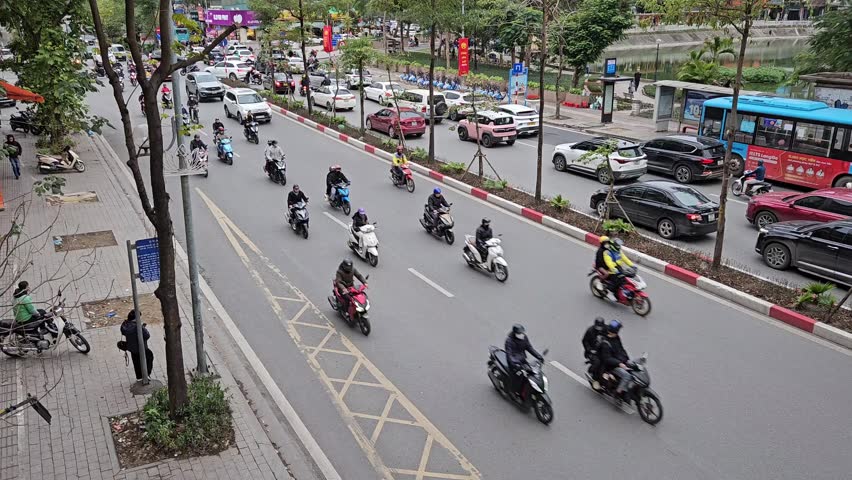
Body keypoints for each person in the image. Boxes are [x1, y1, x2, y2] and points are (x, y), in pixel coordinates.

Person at [504, 324, 543, 400]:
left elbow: (530, 348)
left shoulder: (524, 338)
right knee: (519, 377)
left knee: (531, 374)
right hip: (514, 363)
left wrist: (539, 356)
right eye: (519, 333)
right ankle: (513, 391)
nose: (522, 335)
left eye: (522, 333)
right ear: (515, 334)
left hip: (522, 360)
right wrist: (515, 364)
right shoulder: (509, 341)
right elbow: (509, 355)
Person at [598, 320, 630, 400]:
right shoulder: (605, 343)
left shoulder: (616, 337)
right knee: (627, 376)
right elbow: (607, 359)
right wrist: (619, 364)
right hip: (611, 366)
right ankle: (618, 392)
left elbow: (621, 349)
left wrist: (626, 358)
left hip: (621, 360)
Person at [120, 310, 154, 382]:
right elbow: (147, 335)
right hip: (141, 348)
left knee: (136, 362)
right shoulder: (138, 327)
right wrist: (143, 327)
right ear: (136, 318)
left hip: (132, 348)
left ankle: (139, 377)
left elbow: (125, 332)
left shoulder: (125, 324)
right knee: (149, 357)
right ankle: (146, 375)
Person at [582, 317, 607, 390]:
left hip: (603, 350)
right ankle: (591, 372)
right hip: (592, 352)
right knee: (597, 362)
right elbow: (584, 341)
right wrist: (590, 350)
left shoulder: (606, 329)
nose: (599, 329)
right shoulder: (590, 331)